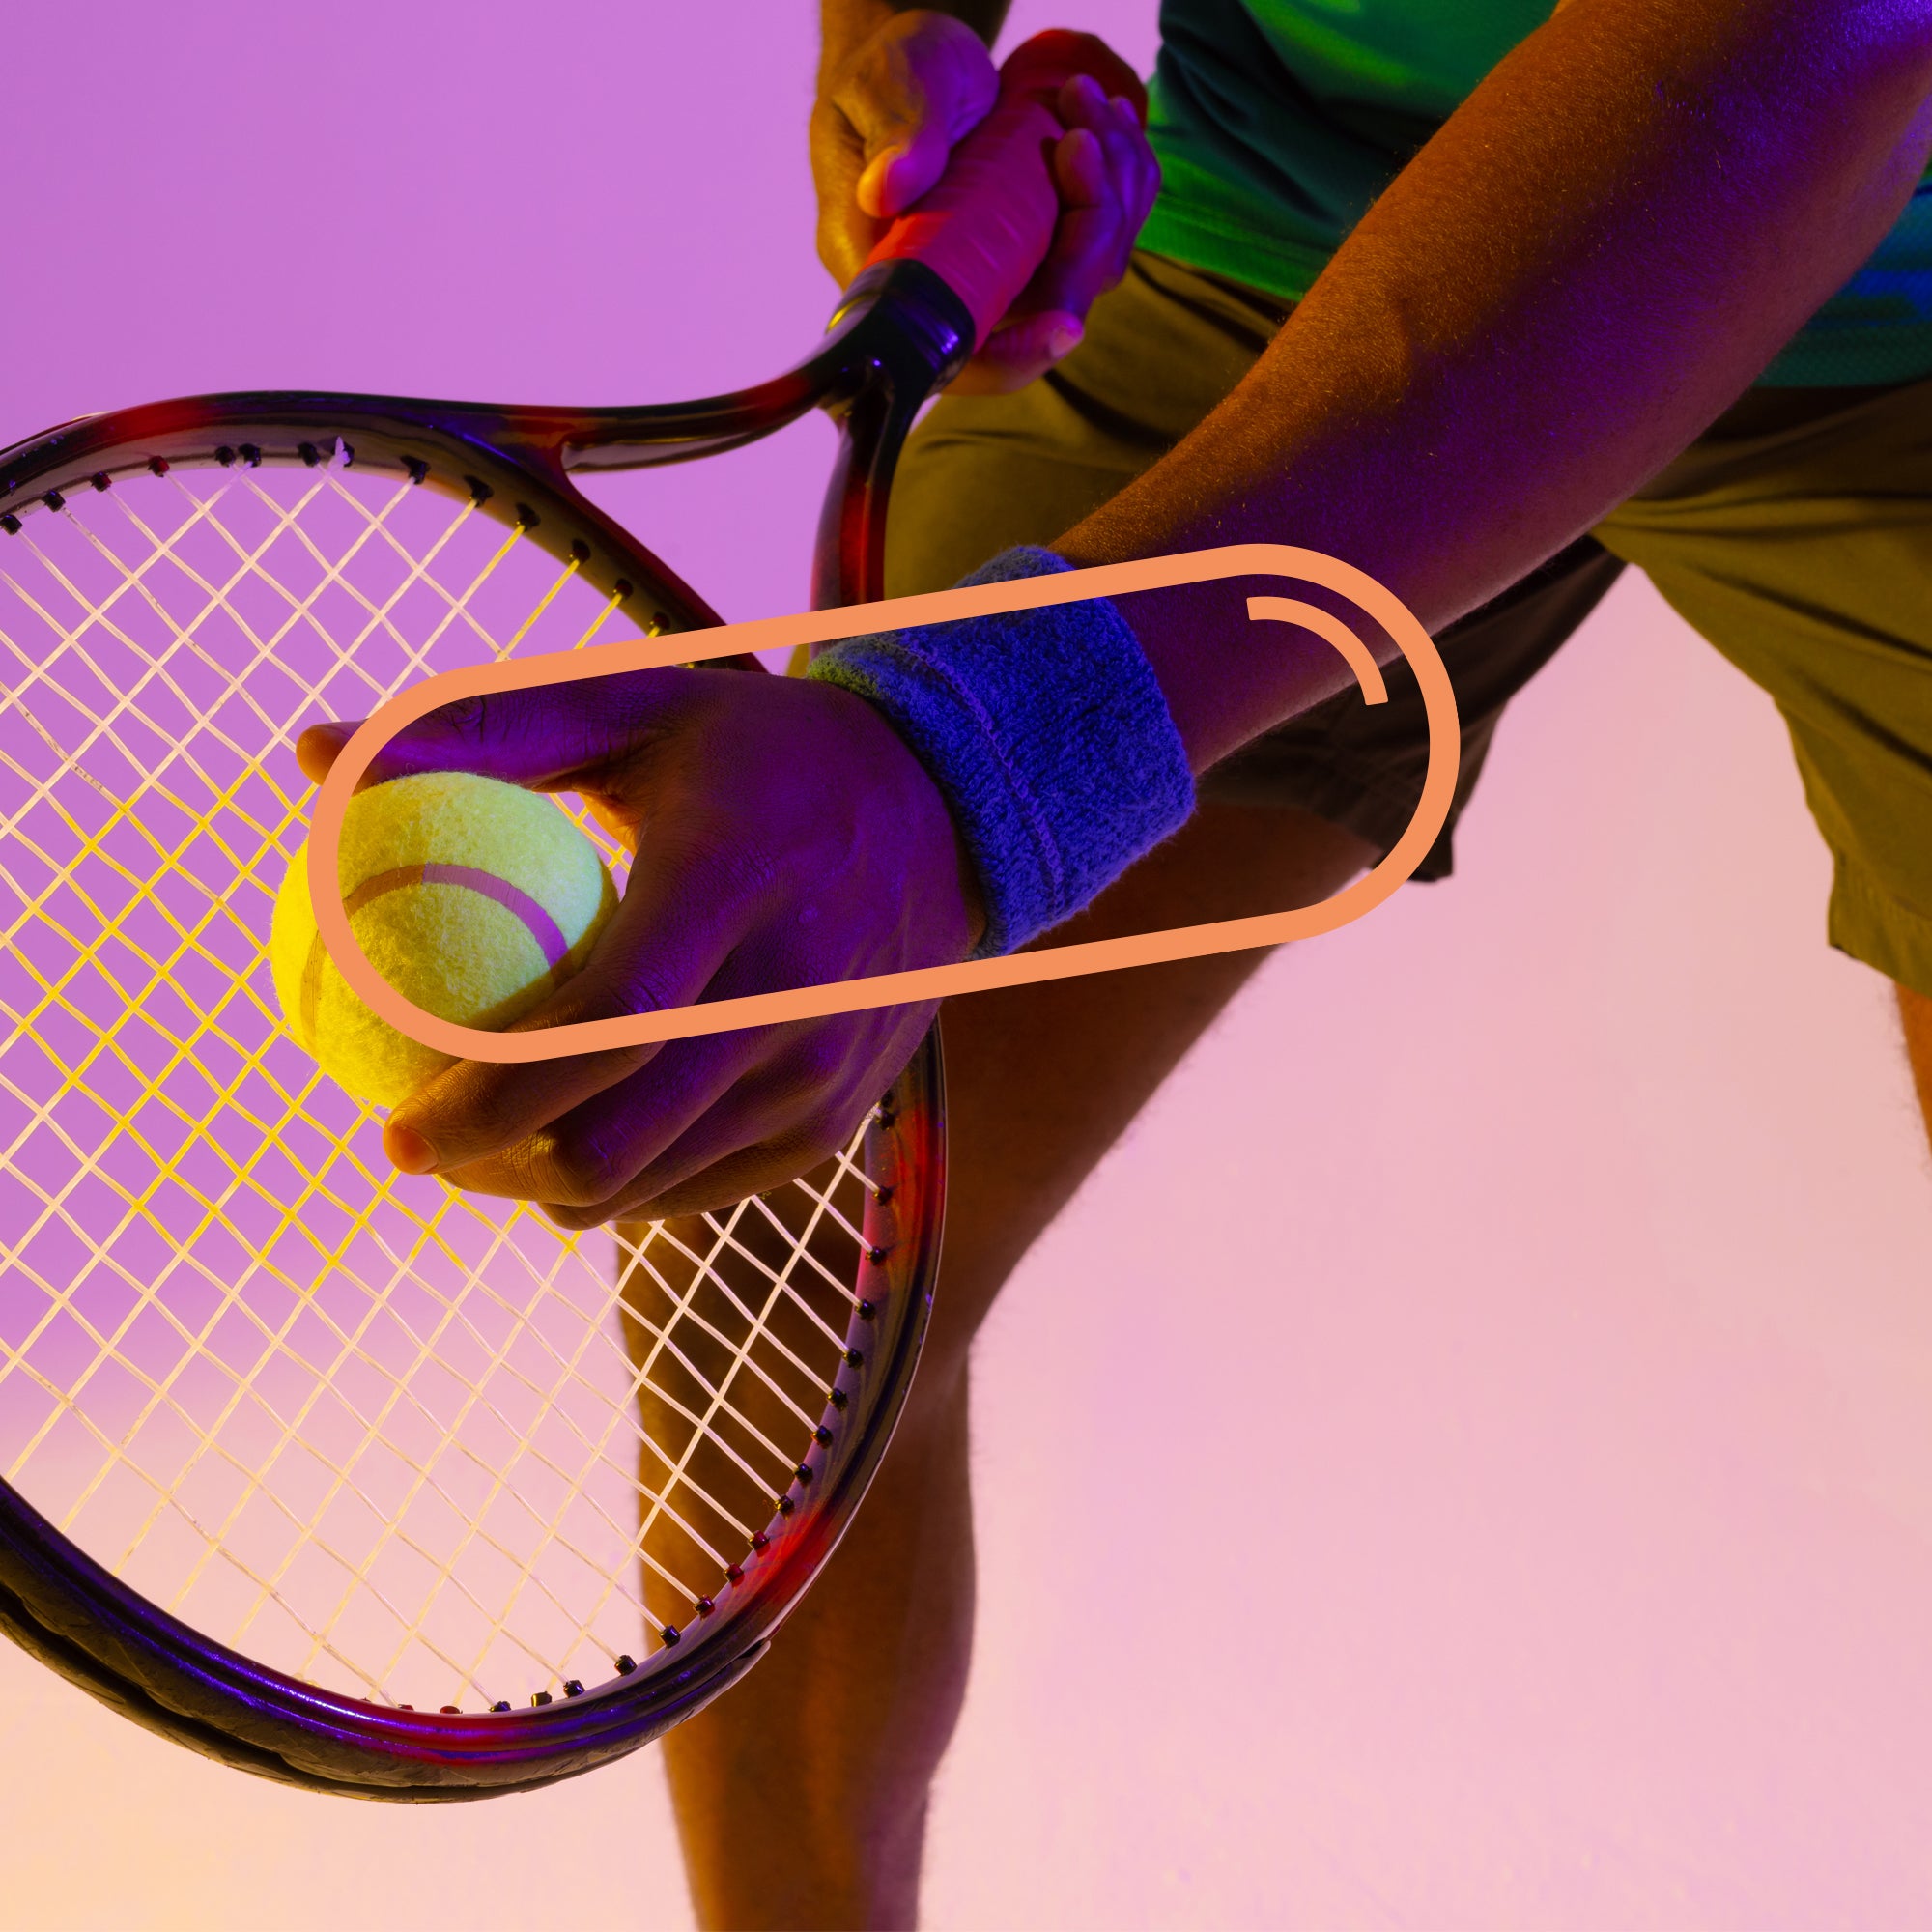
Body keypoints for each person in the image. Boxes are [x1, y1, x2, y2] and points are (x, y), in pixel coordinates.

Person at [299, 1, 1932, 1922]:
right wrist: (906, 33)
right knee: (793, 1196)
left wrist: (976, 753)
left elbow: (1815, 41)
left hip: (1877, 287)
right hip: (1281, 230)